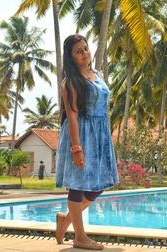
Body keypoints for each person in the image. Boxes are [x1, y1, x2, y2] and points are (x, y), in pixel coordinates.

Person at [55, 34, 119, 250]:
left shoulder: (97, 74)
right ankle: (80, 237)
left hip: (100, 134)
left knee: (99, 185)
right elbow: (72, 116)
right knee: (78, 184)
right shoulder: (70, 82)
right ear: (70, 57)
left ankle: (66, 220)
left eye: (85, 48)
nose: (84, 54)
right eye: (78, 51)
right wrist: (76, 148)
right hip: (81, 134)